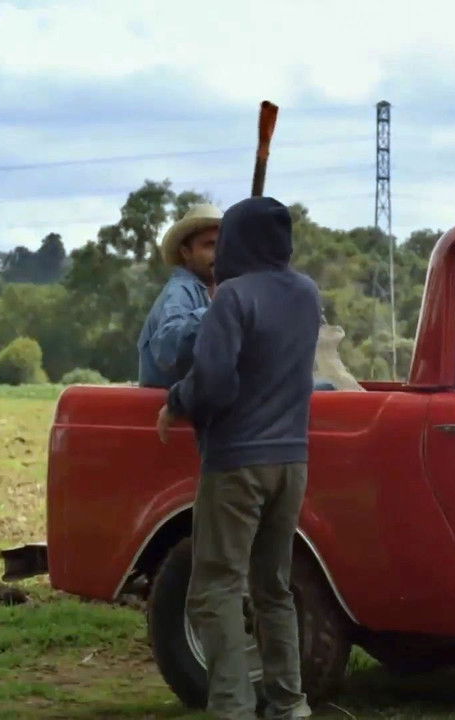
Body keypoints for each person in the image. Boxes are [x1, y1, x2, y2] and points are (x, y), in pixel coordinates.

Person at [156, 196, 321, 720]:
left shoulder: (231, 297)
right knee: (274, 587)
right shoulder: (306, 293)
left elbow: (214, 381)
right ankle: (290, 703)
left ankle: (231, 706)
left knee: (216, 587)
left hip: (236, 462)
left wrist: (177, 401)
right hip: (292, 461)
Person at [138, 203, 223, 388]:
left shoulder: (212, 291)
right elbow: (168, 347)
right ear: (186, 252)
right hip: (166, 403)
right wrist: (219, 309)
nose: (219, 254)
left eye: (223, 245)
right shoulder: (180, 290)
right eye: (209, 245)